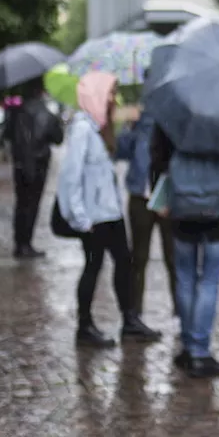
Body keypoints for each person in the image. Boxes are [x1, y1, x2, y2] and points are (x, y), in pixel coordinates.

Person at [57, 71, 162, 347]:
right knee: (93, 267)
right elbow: (70, 176)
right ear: (96, 96)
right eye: (110, 93)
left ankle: (129, 320)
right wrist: (79, 216)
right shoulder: (83, 129)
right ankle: (85, 326)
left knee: (124, 264)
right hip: (93, 217)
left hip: (110, 213)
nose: (114, 98)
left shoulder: (100, 128)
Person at [150, 126, 219, 379]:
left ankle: (189, 347)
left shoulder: (172, 111)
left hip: (182, 203)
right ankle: (200, 351)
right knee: (209, 280)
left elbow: (157, 156)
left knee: (185, 277)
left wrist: (160, 195)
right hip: (217, 207)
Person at [115, 70, 178, 320]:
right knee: (137, 258)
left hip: (168, 197)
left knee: (173, 258)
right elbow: (120, 152)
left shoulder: (175, 117)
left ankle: (181, 311)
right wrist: (128, 127)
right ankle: (134, 314)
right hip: (140, 196)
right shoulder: (139, 119)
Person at [3, 79, 64, 259]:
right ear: (41, 91)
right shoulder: (47, 114)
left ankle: (19, 243)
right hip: (38, 166)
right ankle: (26, 244)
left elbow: (7, 134)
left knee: (21, 204)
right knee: (32, 205)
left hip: (20, 164)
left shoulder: (16, 113)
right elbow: (58, 139)